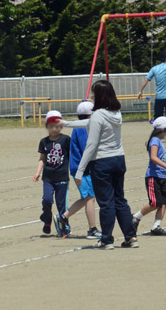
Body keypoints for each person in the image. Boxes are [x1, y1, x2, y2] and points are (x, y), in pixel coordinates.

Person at [65, 80, 137, 250]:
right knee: (120, 200)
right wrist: (66, 123)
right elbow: (89, 123)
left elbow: (91, 145)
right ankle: (131, 237)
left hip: (102, 163)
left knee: (106, 203)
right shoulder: (115, 113)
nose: (91, 96)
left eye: (93, 93)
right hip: (119, 160)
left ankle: (106, 240)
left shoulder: (98, 115)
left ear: (100, 95)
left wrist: (80, 171)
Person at [54, 102, 101, 239]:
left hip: (82, 167)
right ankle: (92, 229)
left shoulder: (82, 126)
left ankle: (63, 217)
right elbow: (87, 148)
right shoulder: (82, 128)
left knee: (88, 197)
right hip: (82, 168)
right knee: (90, 198)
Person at [133, 117, 166, 236]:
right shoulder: (154, 141)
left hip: (161, 177)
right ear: (162, 130)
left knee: (164, 202)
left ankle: (156, 226)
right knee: (155, 202)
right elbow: (153, 157)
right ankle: (135, 217)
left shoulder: (158, 141)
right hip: (153, 176)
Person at [33, 110, 71, 236]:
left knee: (61, 204)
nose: (55, 129)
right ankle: (47, 219)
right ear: (47, 127)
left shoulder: (66, 140)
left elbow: (72, 157)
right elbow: (42, 159)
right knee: (47, 200)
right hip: (48, 177)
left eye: (57, 126)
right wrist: (38, 172)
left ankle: (64, 227)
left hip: (62, 178)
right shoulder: (44, 142)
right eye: (51, 126)